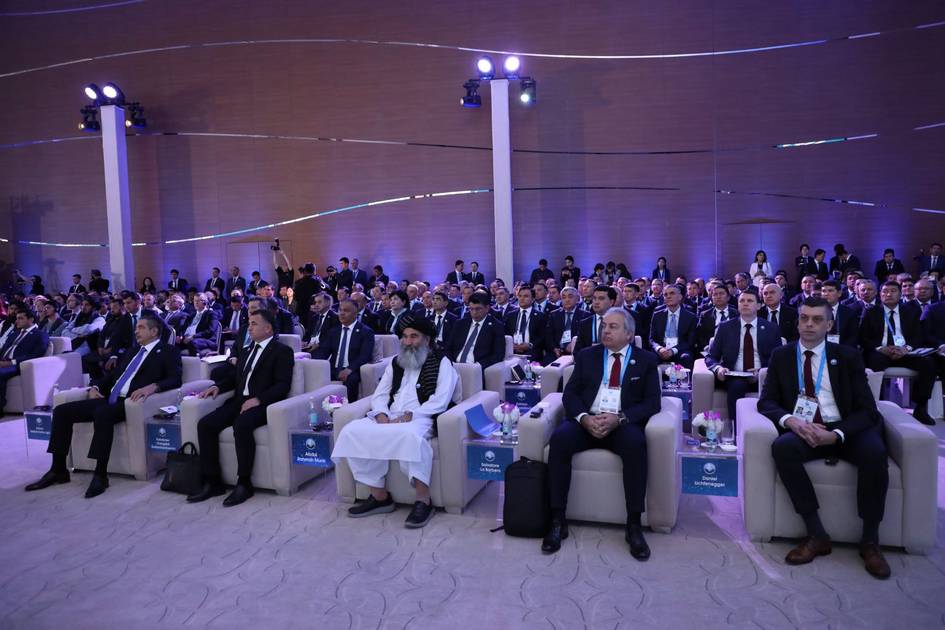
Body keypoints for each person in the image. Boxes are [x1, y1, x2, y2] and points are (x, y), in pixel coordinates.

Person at [759, 297, 891, 579]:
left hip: (845, 430)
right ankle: (816, 533)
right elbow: (766, 401)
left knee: (875, 452)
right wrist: (792, 421)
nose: (809, 324)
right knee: (782, 448)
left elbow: (868, 410)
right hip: (805, 429)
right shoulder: (781, 355)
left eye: (817, 319)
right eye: (804, 318)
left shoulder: (848, 356)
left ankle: (870, 540)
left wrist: (836, 434)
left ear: (829, 325)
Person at [543, 307, 660, 559]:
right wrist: (584, 418)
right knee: (559, 440)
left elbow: (652, 403)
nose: (605, 330)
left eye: (613, 327)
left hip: (621, 423)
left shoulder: (647, 360)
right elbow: (570, 394)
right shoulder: (587, 356)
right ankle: (557, 519)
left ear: (629, 334)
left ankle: (633, 524)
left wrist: (621, 418)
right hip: (587, 421)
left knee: (636, 445)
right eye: (604, 326)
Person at [26, 313, 181, 498]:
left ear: (154, 331)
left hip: (131, 403)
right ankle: (58, 469)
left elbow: (175, 378)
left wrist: (154, 386)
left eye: (141, 327)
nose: (136, 331)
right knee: (61, 411)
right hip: (109, 398)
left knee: (103, 413)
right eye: (136, 327)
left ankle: (100, 474)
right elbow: (114, 376)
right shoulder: (133, 351)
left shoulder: (168, 351)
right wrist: (96, 387)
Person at [331, 314, 458, 528]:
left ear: (427, 339)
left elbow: (442, 398)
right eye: (405, 337)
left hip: (422, 417)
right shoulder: (396, 362)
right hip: (390, 415)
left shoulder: (442, 361)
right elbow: (380, 393)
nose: (408, 342)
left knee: (410, 437)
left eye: (414, 336)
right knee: (352, 431)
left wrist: (412, 415)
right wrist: (381, 413)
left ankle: (423, 501)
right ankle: (380, 496)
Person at [187, 309, 294, 507]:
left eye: (254, 324)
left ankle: (244, 483)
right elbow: (235, 378)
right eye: (249, 323)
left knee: (242, 425)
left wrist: (258, 399)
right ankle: (213, 481)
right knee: (206, 424)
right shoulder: (247, 349)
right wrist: (218, 387)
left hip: (265, 404)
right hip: (239, 400)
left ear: (268, 328)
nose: (249, 328)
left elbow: (282, 385)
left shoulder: (282, 351)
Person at [858, 281, 936, 425]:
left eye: (893, 291)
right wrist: (880, 348)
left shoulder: (911, 311)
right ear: (879, 294)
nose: (888, 294)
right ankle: (876, 405)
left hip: (905, 352)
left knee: (928, 363)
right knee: (873, 362)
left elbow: (918, 336)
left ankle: (920, 407)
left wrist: (906, 349)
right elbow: (863, 337)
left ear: (900, 294)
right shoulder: (871, 311)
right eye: (885, 291)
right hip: (881, 352)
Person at [704, 290, 782, 421]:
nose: (745, 303)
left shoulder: (771, 328)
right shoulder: (725, 327)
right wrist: (718, 369)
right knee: (737, 385)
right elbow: (711, 356)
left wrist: (761, 371)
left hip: (762, 375)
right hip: (734, 375)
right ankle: (735, 427)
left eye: (750, 301)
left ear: (759, 306)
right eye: (742, 301)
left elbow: (778, 359)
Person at [313, 299, 375, 401]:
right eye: (340, 310)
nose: (341, 313)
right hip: (334, 368)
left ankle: (349, 407)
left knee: (352, 380)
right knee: (316, 376)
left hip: (353, 369)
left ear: (355, 314)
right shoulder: (334, 331)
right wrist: (314, 363)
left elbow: (365, 355)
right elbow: (324, 351)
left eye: (346, 311)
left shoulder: (366, 332)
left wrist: (349, 369)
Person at [0, 309, 49, 411]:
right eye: (17, 318)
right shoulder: (15, 333)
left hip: (18, 365)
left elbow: (36, 355)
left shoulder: (40, 335)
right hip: (3, 362)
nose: (17, 321)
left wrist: (11, 362)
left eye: (20, 318)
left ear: (30, 320)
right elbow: (3, 349)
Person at [444, 292, 505, 370]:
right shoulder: (460, 324)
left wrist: (478, 366)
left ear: (487, 308)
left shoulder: (496, 326)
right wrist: (450, 363)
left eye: (478, 309)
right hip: (454, 365)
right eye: (471, 309)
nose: (474, 312)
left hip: (476, 367)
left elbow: (498, 355)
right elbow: (448, 347)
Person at [648, 283, 697, 369]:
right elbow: (651, 339)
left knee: (686, 357)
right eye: (665, 294)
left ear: (680, 297)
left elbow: (690, 342)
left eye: (672, 293)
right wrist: (659, 348)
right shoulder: (657, 315)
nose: (668, 296)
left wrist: (673, 350)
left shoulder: (690, 317)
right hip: (661, 350)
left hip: (680, 350)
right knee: (650, 358)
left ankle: (684, 378)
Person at [504, 285, 547, 363]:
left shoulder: (540, 316)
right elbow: (506, 333)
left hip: (531, 351)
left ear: (533, 299)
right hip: (512, 350)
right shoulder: (511, 315)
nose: (522, 298)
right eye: (520, 296)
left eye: (526, 296)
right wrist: (512, 345)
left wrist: (530, 345)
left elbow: (542, 336)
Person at [545, 287, 589, 363]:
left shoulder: (585, 315)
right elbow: (548, 335)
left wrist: (574, 345)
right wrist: (555, 349)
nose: (567, 300)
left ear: (577, 299)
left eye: (570, 296)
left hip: (576, 352)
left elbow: (585, 337)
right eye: (564, 297)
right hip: (556, 352)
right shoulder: (554, 314)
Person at [695, 283, 736, 353]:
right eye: (715, 294)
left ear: (728, 297)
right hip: (710, 350)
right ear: (712, 298)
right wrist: (706, 347)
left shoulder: (736, 314)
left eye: (721, 293)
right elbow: (700, 335)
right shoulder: (705, 315)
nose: (718, 296)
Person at [820, 280, 859, 348]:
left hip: (843, 349)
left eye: (830, 291)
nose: (826, 294)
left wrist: (841, 350)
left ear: (839, 293)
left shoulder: (849, 312)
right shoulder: (814, 312)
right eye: (823, 291)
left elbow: (853, 336)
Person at [292, 263, 322, 332]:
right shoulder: (316, 282)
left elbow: (295, 297)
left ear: (305, 271)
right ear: (314, 271)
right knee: (312, 330)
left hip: (301, 309)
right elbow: (318, 296)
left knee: (302, 330)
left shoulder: (298, 282)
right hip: (312, 310)